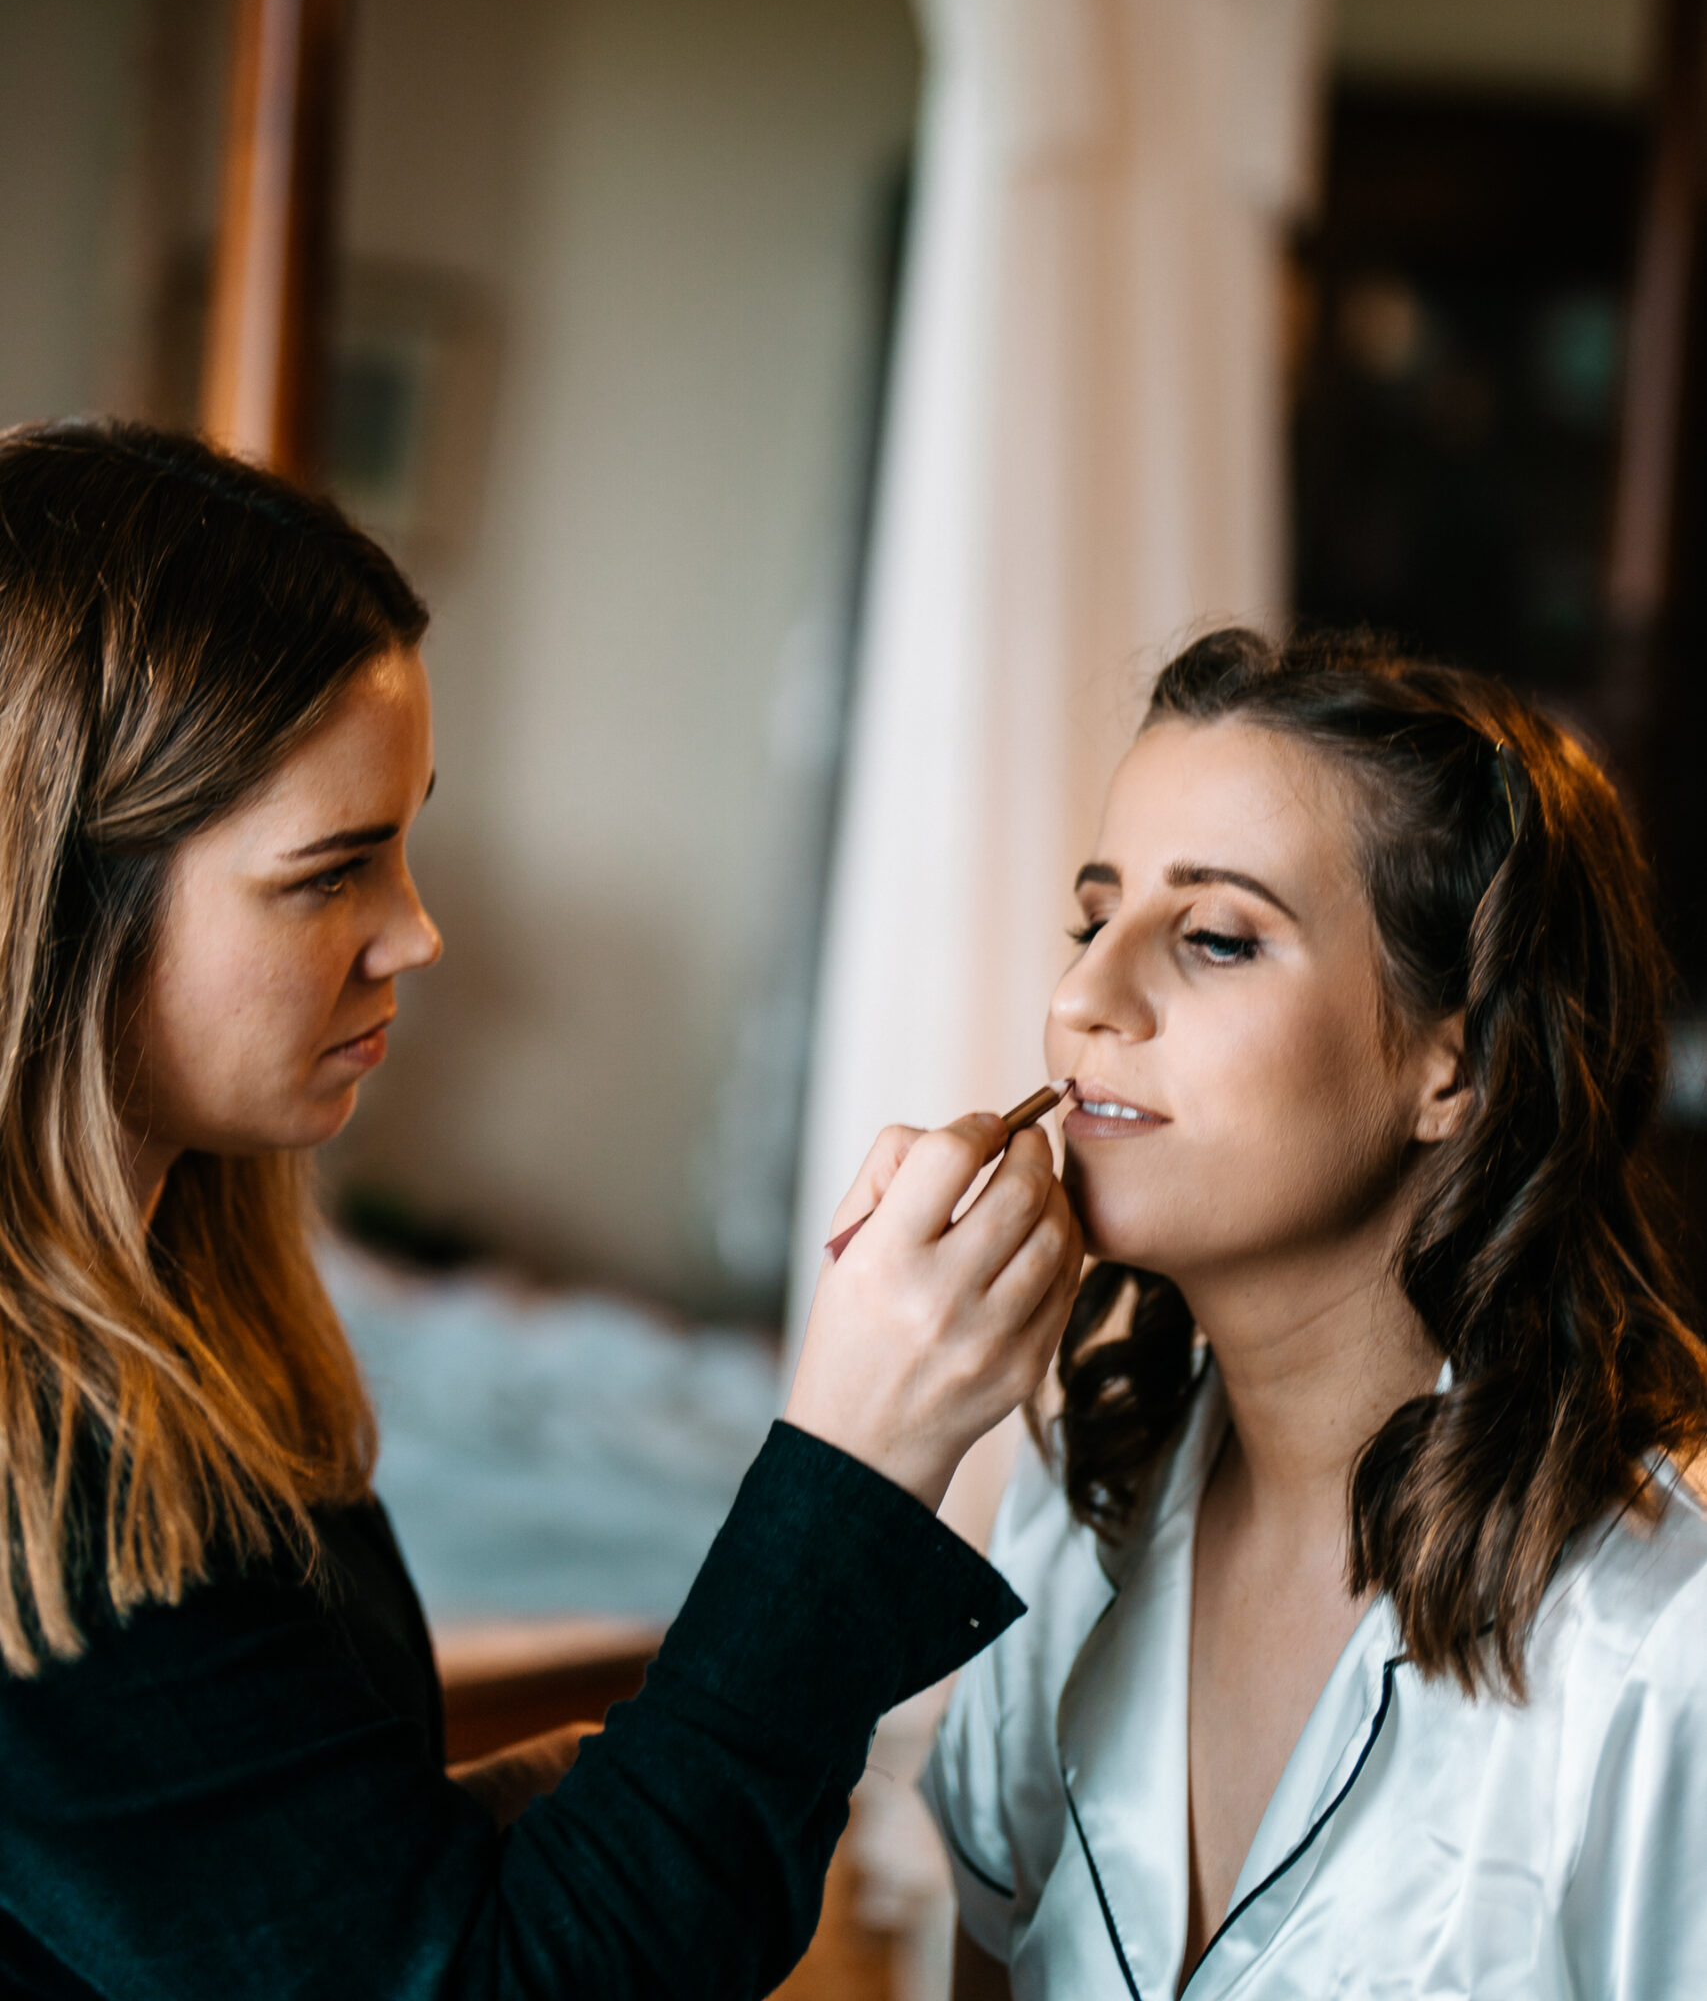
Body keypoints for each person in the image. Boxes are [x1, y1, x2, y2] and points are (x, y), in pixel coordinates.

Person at [0, 417, 1083, 2001]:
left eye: (409, 839)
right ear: (60, 898)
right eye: (332, 871)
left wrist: (587, 1794)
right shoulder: (48, 1475)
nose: (415, 935)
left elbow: (293, 1897)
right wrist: (859, 1460)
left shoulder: (185, 1332)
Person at [928, 624, 1707, 2001]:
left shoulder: (1663, 1641)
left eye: (1216, 938)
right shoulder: (1072, 1505)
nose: (1080, 999)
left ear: (1453, 1065)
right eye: (1093, 919)